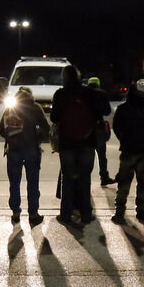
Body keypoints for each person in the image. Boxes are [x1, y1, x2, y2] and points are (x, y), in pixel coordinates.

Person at [50, 67, 106, 225]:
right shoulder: (89, 93)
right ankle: (86, 213)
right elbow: (101, 112)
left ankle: (66, 214)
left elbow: (54, 118)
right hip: (87, 142)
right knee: (84, 179)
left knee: (67, 179)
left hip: (67, 143)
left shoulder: (60, 94)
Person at [0, 85, 49, 225]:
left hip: (14, 150)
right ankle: (33, 213)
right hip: (31, 148)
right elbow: (46, 127)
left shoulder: (10, 108)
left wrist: (11, 136)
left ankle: (15, 212)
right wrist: (38, 138)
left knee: (14, 183)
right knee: (33, 183)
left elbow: (1, 129)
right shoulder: (35, 107)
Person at [110, 78, 144, 223]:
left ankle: (120, 213)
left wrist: (124, 139)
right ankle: (139, 211)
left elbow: (116, 127)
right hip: (142, 150)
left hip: (130, 150)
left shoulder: (124, 108)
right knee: (141, 182)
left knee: (125, 182)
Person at [89, 77, 115, 187]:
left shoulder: (84, 93)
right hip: (98, 127)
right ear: (98, 84)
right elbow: (108, 111)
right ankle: (104, 177)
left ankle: (86, 179)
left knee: (88, 155)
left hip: (86, 128)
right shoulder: (102, 94)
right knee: (101, 154)